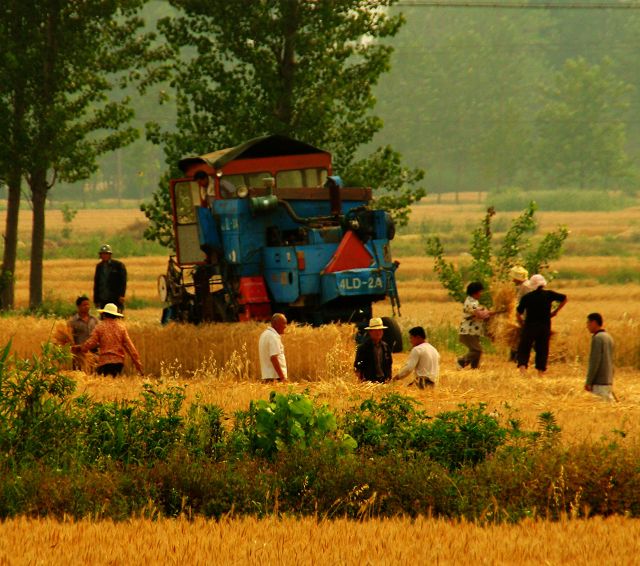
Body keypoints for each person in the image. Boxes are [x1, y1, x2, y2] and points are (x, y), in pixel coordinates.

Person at [516, 274, 567, 377]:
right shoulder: (549, 294)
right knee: (542, 348)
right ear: (543, 284)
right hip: (544, 326)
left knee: (524, 347)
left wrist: (521, 322)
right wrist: (555, 311)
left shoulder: (527, 297)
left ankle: (523, 370)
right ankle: (540, 373)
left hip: (530, 326)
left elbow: (518, 313)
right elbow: (565, 298)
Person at [74, 303, 143, 377]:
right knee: (114, 383)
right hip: (118, 363)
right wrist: (137, 363)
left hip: (104, 363)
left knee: (102, 384)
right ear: (116, 315)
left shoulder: (100, 327)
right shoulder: (121, 328)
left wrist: (81, 348)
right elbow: (130, 347)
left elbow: (91, 342)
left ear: (104, 314)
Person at [457, 282, 493, 369]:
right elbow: (479, 315)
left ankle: (475, 368)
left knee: (475, 350)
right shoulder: (471, 302)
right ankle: (462, 361)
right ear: (475, 292)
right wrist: (491, 313)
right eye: (480, 292)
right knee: (477, 350)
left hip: (473, 331)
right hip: (468, 331)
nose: (481, 294)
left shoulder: (474, 302)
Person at [585, 312, 615, 402]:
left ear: (594, 322)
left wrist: (589, 381)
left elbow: (595, 361)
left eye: (588, 323)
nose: (587, 326)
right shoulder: (609, 337)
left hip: (599, 381)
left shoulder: (597, 338)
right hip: (608, 380)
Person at [354, 317, 393, 382]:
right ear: (370, 332)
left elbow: (389, 364)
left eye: (380, 330)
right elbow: (358, 366)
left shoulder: (385, 346)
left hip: (383, 381)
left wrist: (389, 378)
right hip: (369, 383)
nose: (378, 333)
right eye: (376, 330)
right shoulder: (363, 348)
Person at [68, 295, 99, 370]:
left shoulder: (94, 320)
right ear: (78, 306)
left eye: (88, 304)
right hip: (79, 353)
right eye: (84, 305)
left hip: (93, 352)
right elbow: (69, 337)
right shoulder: (73, 321)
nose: (87, 306)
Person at [93, 244, 127, 311]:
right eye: (103, 254)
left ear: (110, 255)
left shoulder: (118, 265)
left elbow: (123, 282)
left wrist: (122, 295)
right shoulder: (99, 266)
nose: (104, 256)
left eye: (106, 254)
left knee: (116, 315)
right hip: (103, 298)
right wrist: (96, 299)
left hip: (115, 297)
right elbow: (96, 283)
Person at [509, 265, 532, 362]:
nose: (513, 280)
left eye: (514, 277)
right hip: (523, 315)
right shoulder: (525, 285)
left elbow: (524, 303)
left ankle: (516, 357)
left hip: (525, 316)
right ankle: (514, 357)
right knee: (518, 336)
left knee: (521, 337)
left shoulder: (525, 287)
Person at [258, 313, 288, 382]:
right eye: (283, 323)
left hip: (268, 377)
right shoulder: (273, 337)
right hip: (275, 378)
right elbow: (274, 358)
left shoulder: (264, 334)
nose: (285, 326)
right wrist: (282, 377)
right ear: (275, 324)